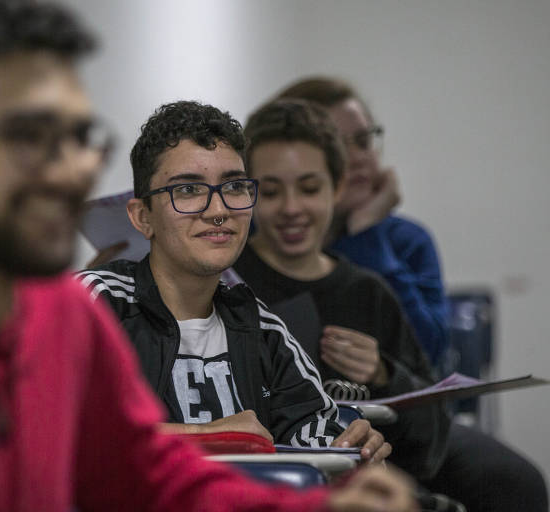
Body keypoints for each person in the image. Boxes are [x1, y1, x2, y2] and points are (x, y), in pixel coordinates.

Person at [0, 2, 418, 511]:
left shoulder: (63, 317)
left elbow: (154, 482)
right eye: (30, 138)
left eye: (79, 137)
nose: (70, 172)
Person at [233, 98, 547, 512]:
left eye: (310, 188)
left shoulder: (368, 292)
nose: (292, 209)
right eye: (270, 192)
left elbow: (430, 431)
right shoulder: (229, 281)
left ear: (338, 186)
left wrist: (383, 373)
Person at [78, 100, 390, 464]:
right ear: (142, 216)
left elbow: (316, 438)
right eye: (188, 191)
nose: (218, 210)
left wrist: (353, 448)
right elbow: (43, 427)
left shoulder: (264, 332)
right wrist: (211, 437)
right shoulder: (95, 304)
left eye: (235, 187)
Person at [276, 77, 448, 366]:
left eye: (364, 140)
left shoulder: (407, 241)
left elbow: (426, 354)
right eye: (335, 144)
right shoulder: (263, 236)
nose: (357, 158)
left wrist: (366, 233)